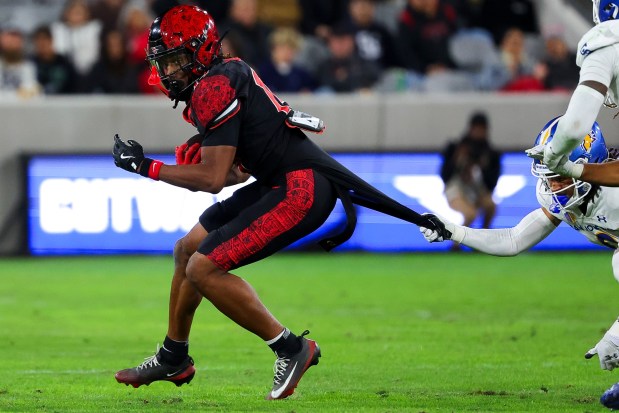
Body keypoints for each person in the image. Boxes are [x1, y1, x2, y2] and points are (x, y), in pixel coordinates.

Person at [111, 5, 445, 400]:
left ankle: (290, 347)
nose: (168, 71)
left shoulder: (214, 86)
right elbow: (236, 173)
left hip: (298, 188)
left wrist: (147, 167)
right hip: (280, 182)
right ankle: (173, 356)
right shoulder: (222, 76)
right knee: (187, 250)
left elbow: (213, 180)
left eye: (175, 60)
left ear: (200, 52)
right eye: (164, 62)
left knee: (204, 268)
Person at [422, 116, 619, 409]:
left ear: (589, 164)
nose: (554, 185)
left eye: (562, 174)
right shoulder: (557, 191)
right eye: (549, 174)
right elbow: (515, 239)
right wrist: (454, 231)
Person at [439, 112, 501, 249]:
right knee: (471, 214)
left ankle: (483, 241)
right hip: (457, 188)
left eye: (482, 129)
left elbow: (492, 182)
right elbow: (445, 174)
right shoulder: (456, 147)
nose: (479, 132)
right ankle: (456, 245)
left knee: (491, 206)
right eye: (476, 128)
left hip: (477, 188)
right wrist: (457, 160)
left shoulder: (490, 153)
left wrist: (482, 166)